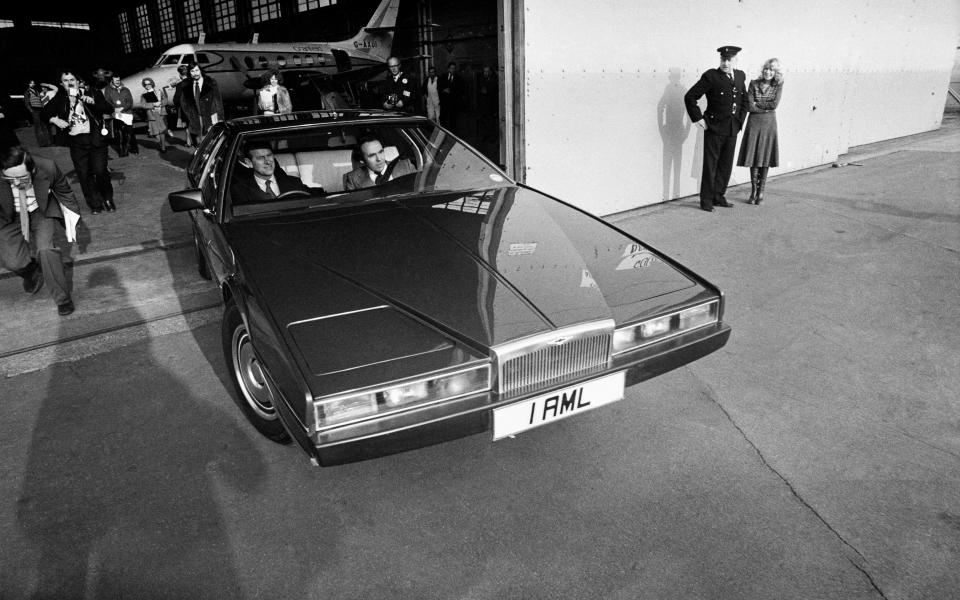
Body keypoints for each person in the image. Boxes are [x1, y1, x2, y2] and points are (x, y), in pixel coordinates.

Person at [0, 145, 81, 316]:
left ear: (33, 169)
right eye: (10, 179)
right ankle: (31, 271)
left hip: (40, 210)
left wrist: (73, 221)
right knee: (12, 261)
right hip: (9, 216)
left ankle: (62, 299)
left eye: (22, 177)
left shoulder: (48, 167)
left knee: (46, 251)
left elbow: (65, 192)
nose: (16, 183)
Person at [41, 69, 116, 214]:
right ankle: (95, 204)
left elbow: (108, 108)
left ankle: (107, 198)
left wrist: (93, 102)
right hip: (76, 142)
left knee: (100, 171)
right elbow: (44, 114)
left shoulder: (92, 93)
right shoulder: (59, 98)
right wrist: (55, 119)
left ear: (78, 81)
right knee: (84, 174)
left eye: (72, 80)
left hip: (95, 139)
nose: (69, 83)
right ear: (61, 84)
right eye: (65, 80)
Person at [684, 45, 748, 212]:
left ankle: (719, 196)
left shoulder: (740, 76)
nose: (726, 63)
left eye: (729, 60)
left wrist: (740, 121)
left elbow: (744, 101)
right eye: (723, 59)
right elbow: (690, 97)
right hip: (714, 128)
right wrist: (699, 119)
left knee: (725, 165)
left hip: (732, 129)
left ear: (736, 60)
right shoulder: (711, 76)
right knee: (710, 165)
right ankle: (706, 200)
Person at [737, 58, 783, 205]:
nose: (768, 72)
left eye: (771, 70)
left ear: (775, 72)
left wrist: (759, 103)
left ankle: (761, 192)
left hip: (769, 124)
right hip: (754, 123)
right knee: (754, 156)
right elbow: (750, 106)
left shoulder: (778, 85)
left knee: (765, 156)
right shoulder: (753, 83)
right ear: (762, 70)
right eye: (766, 69)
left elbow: (775, 104)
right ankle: (753, 192)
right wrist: (765, 107)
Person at [230, 141, 311, 204]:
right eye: (260, 158)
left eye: (269, 156)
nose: (268, 162)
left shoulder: (295, 183)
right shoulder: (240, 191)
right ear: (249, 163)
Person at [343, 134, 416, 190]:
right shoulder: (353, 179)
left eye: (380, 152)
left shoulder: (406, 167)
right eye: (372, 155)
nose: (379, 159)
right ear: (362, 160)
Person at [179, 62, 224, 142]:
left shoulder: (210, 82)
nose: (195, 73)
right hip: (196, 119)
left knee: (212, 141)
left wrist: (220, 118)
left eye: (197, 70)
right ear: (189, 72)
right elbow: (183, 103)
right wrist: (190, 115)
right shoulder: (186, 85)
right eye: (192, 71)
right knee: (199, 143)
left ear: (200, 71)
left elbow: (218, 101)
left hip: (210, 117)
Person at [103, 74, 139, 156]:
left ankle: (134, 148)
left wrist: (122, 108)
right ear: (112, 81)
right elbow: (108, 101)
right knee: (119, 133)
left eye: (118, 80)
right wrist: (114, 109)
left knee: (130, 132)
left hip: (127, 113)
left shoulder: (126, 89)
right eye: (115, 81)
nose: (117, 82)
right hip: (116, 114)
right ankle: (123, 151)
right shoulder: (108, 90)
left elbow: (130, 102)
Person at [23, 80, 56, 147]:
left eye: (33, 83)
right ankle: (42, 144)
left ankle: (48, 143)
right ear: (28, 84)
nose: (32, 84)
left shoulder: (37, 91)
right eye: (30, 83)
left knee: (44, 127)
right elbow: (26, 103)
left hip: (41, 110)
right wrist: (31, 111)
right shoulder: (27, 92)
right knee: (38, 128)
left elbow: (40, 100)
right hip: (35, 111)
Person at [140, 77, 169, 153]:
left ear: (152, 83)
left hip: (160, 113)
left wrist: (161, 103)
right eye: (145, 84)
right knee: (155, 132)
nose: (147, 85)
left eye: (149, 83)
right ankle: (160, 143)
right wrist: (153, 104)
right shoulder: (144, 95)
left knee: (162, 131)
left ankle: (163, 147)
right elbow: (143, 105)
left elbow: (166, 100)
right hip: (152, 115)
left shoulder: (159, 92)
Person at [172, 64, 195, 147]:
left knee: (187, 125)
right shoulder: (194, 82)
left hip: (185, 108)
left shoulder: (180, 85)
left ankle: (189, 142)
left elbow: (176, 99)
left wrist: (176, 106)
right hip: (195, 107)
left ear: (180, 74)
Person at [439, 62, 464, 134]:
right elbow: (439, 87)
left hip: (453, 103)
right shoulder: (443, 77)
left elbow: (460, 90)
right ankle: (443, 133)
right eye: (451, 68)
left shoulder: (458, 78)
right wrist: (443, 90)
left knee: (453, 119)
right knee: (443, 118)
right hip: (444, 102)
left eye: (454, 68)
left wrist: (451, 91)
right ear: (448, 69)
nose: (452, 70)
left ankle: (453, 134)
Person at [476, 65, 498, 142]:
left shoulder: (494, 81)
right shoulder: (481, 80)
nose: (486, 73)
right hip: (483, 106)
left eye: (487, 71)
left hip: (491, 106)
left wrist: (487, 91)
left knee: (491, 123)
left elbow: (495, 96)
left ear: (490, 72)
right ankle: (485, 136)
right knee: (483, 122)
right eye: (485, 71)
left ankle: (492, 137)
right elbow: (478, 93)